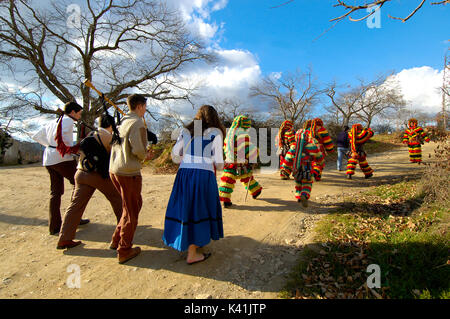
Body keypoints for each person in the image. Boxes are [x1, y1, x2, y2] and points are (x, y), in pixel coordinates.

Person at [163, 105, 225, 264]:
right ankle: (193, 253)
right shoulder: (215, 134)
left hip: (184, 174)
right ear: (214, 118)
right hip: (204, 175)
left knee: (187, 209)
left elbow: (176, 155)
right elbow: (219, 164)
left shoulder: (186, 132)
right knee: (200, 209)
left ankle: (186, 243)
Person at [56, 114, 123, 249]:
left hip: (81, 173)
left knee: (75, 206)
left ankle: (65, 238)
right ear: (111, 125)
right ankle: (123, 231)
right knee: (118, 200)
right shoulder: (109, 138)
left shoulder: (90, 135)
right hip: (98, 175)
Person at [32, 101, 89, 235]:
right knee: (80, 183)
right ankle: (74, 218)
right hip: (62, 158)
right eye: (79, 113)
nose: (80, 116)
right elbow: (65, 142)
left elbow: (36, 136)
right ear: (73, 112)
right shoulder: (68, 121)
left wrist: (50, 146)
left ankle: (54, 226)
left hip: (49, 158)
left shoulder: (53, 122)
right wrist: (66, 149)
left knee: (55, 192)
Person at [109, 94, 154, 264]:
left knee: (130, 206)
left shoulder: (122, 122)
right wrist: (146, 155)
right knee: (132, 209)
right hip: (128, 172)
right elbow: (139, 150)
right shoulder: (136, 123)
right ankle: (124, 249)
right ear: (140, 106)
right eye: (145, 106)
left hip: (115, 169)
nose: (145, 110)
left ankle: (116, 240)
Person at [218, 115, 262, 208]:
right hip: (241, 162)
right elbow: (248, 148)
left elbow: (225, 148)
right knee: (246, 177)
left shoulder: (229, 135)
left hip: (230, 162)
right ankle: (256, 191)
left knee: (227, 180)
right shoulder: (242, 135)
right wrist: (255, 153)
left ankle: (224, 199)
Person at [288, 128, 324, 207]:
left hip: (296, 169)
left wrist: (285, 168)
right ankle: (304, 194)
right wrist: (320, 162)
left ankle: (298, 197)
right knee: (307, 183)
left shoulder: (293, 146)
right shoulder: (311, 146)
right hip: (307, 168)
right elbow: (319, 156)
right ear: (307, 136)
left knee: (298, 183)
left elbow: (288, 158)